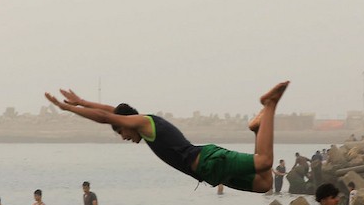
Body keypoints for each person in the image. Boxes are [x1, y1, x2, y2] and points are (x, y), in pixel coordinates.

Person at [44, 82, 289, 193]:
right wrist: (83, 101)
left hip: (208, 161)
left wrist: (69, 109)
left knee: (265, 161)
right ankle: (258, 128)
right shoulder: (144, 124)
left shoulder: (144, 123)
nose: (123, 137)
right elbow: (113, 111)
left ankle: (269, 105)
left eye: (121, 131)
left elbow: (107, 116)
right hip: (210, 173)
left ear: (128, 123)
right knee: (264, 184)